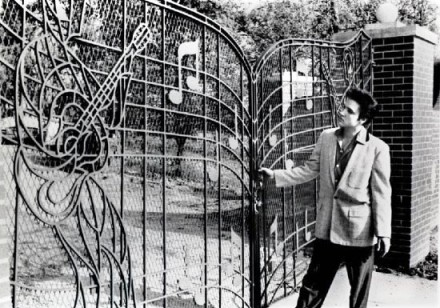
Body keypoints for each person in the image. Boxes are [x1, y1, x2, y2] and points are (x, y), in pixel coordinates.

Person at [259, 87, 392, 308]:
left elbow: (381, 193)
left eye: (348, 110)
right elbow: (308, 169)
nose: (341, 111)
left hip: (359, 231)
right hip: (328, 227)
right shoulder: (326, 137)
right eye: (342, 106)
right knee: (312, 288)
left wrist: (383, 233)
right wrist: (275, 176)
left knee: (358, 295)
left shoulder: (377, 149)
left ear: (363, 119)